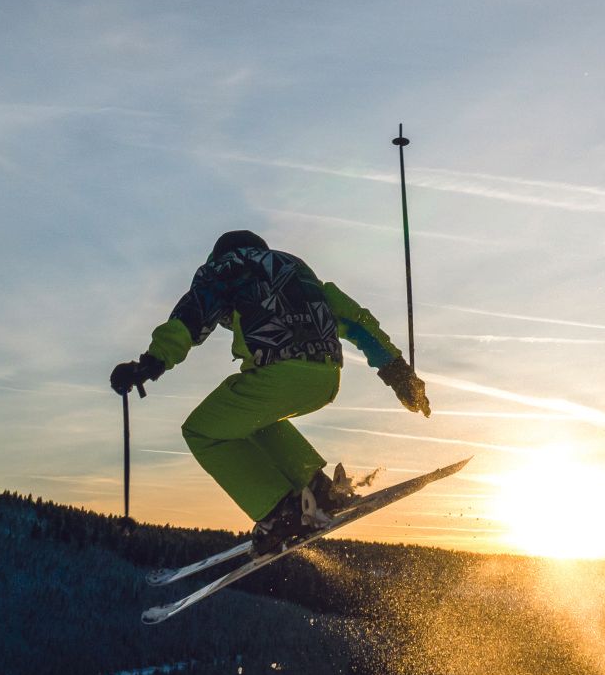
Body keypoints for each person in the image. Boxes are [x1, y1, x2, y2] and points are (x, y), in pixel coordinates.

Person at [110, 230, 430, 553]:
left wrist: (150, 364)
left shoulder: (226, 268)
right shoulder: (299, 272)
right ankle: (316, 489)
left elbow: (191, 316)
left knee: (201, 430)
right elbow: (357, 321)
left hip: (279, 373)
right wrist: (398, 373)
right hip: (326, 377)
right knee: (252, 420)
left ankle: (279, 513)